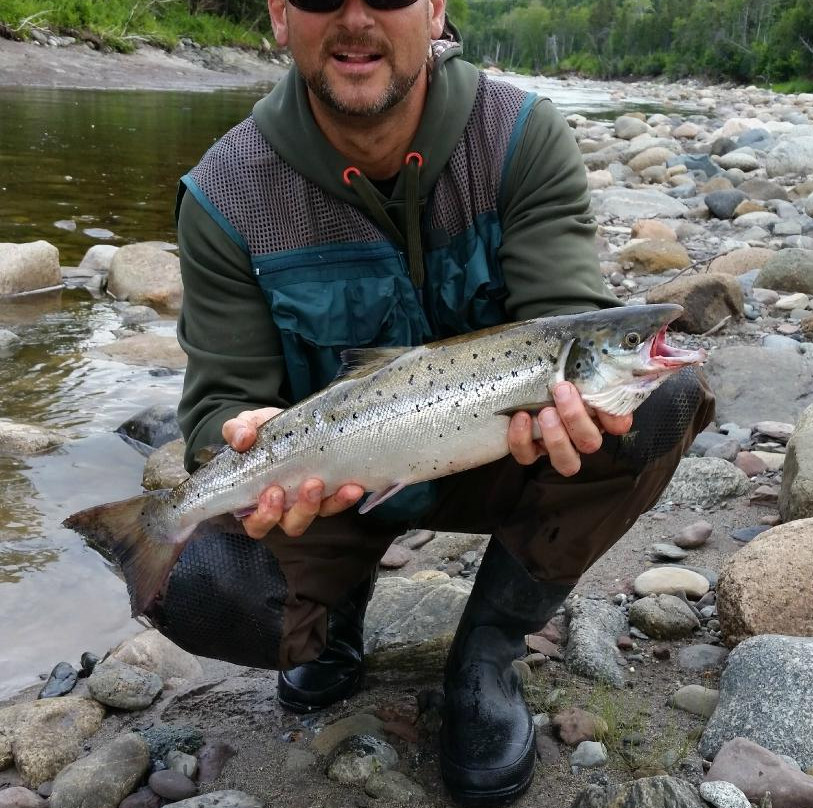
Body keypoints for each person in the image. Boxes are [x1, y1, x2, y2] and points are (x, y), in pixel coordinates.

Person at [152, 0, 715, 803]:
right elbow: (218, 402)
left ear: (435, 10)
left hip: (496, 458)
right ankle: (334, 619)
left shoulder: (518, 136)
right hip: (329, 480)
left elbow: (569, 312)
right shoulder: (224, 195)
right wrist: (235, 430)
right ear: (279, 16)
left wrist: (577, 414)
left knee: (661, 398)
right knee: (195, 581)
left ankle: (484, 650)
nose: (354, 19)